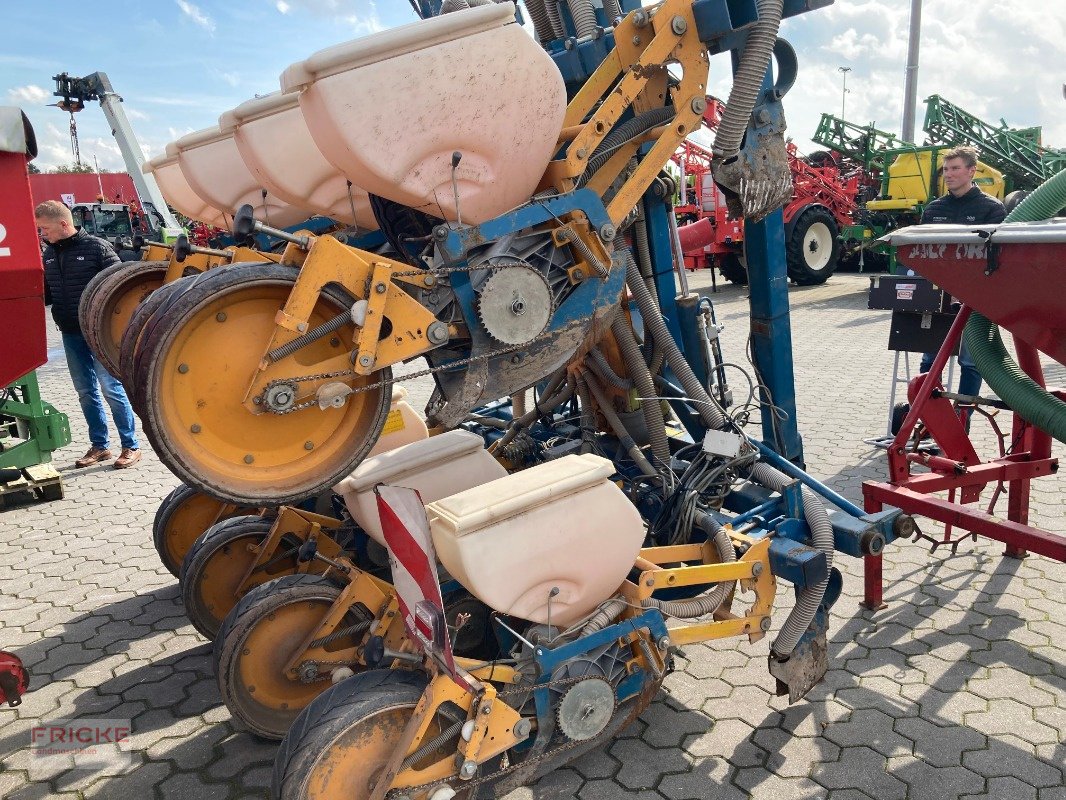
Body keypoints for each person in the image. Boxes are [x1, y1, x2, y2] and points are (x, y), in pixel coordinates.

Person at [35, 200, 142, 469]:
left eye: (44, 229)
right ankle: (100, 446)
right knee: (85, 391)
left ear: (63, 223)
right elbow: (47, 293)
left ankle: (130, 446)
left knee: (110, 388)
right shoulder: (49, 254)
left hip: (99, 334)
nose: (42, 234)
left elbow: (121, 285)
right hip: (70, 334)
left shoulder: (96, 248)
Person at [917, 146, 1006, 400]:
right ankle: (927, 421)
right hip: (939, 295)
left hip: (976, 298)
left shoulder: (991, 209)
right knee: (930, 360)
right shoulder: (934, 210)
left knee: (970, 362)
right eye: (946, 169)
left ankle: (961, 422)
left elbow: (998, 258)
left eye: (955, 168)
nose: (949, 174)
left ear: (971, 171)